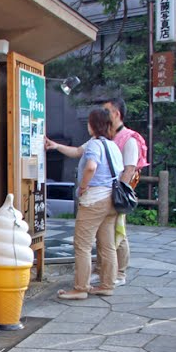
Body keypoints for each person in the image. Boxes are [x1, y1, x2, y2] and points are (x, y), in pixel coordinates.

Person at [45, 107, 123, 300]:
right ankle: (107, 284)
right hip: (111, 200)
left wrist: (82, 186)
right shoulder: (112, 145)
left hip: (94, 199)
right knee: (108, 245)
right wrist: (55, 146)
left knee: (82, 245)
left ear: (93, 124)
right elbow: (77, 151)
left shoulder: (95, 145)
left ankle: (80, 288)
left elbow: (90, 166)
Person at [99, 98, 146, 286]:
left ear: (116, 114)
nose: (103, 115)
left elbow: (130, 169)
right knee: (106, 234)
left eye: (106, 111)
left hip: (117, 193)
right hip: (107, 192)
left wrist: (118, 195)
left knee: (119, 233)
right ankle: (105, 271)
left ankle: (119, 273)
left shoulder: (129, 139)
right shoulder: (110, 136)